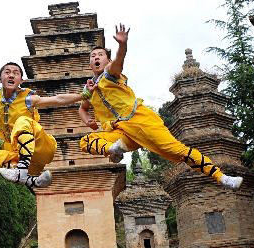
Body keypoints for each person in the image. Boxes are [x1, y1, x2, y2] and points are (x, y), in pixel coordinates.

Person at [78, 24, 243, 190]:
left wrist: (122, 45)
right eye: (93, 56)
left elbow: (119, 61)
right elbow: (82, 107)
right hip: (121, 132)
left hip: (141, 121)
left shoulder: (111, 73)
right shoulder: (89, 88)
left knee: (180, 152)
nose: (96, 57)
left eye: (100, 54)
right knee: (86, 141)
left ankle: (221, 177)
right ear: (90, 63)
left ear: (107, 60)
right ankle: (113, 150)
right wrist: (88, 121)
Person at [0, 63, 82, 188]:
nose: (11, 75)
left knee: (22, 122)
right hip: (20, 155)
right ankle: (31, 180)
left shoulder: (28, 98)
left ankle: (22, 169)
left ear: (21, 80)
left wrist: (83, 95)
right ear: (0, 79)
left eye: (15, 73)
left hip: (39, 148)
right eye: (7, 72)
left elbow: (58, 99)